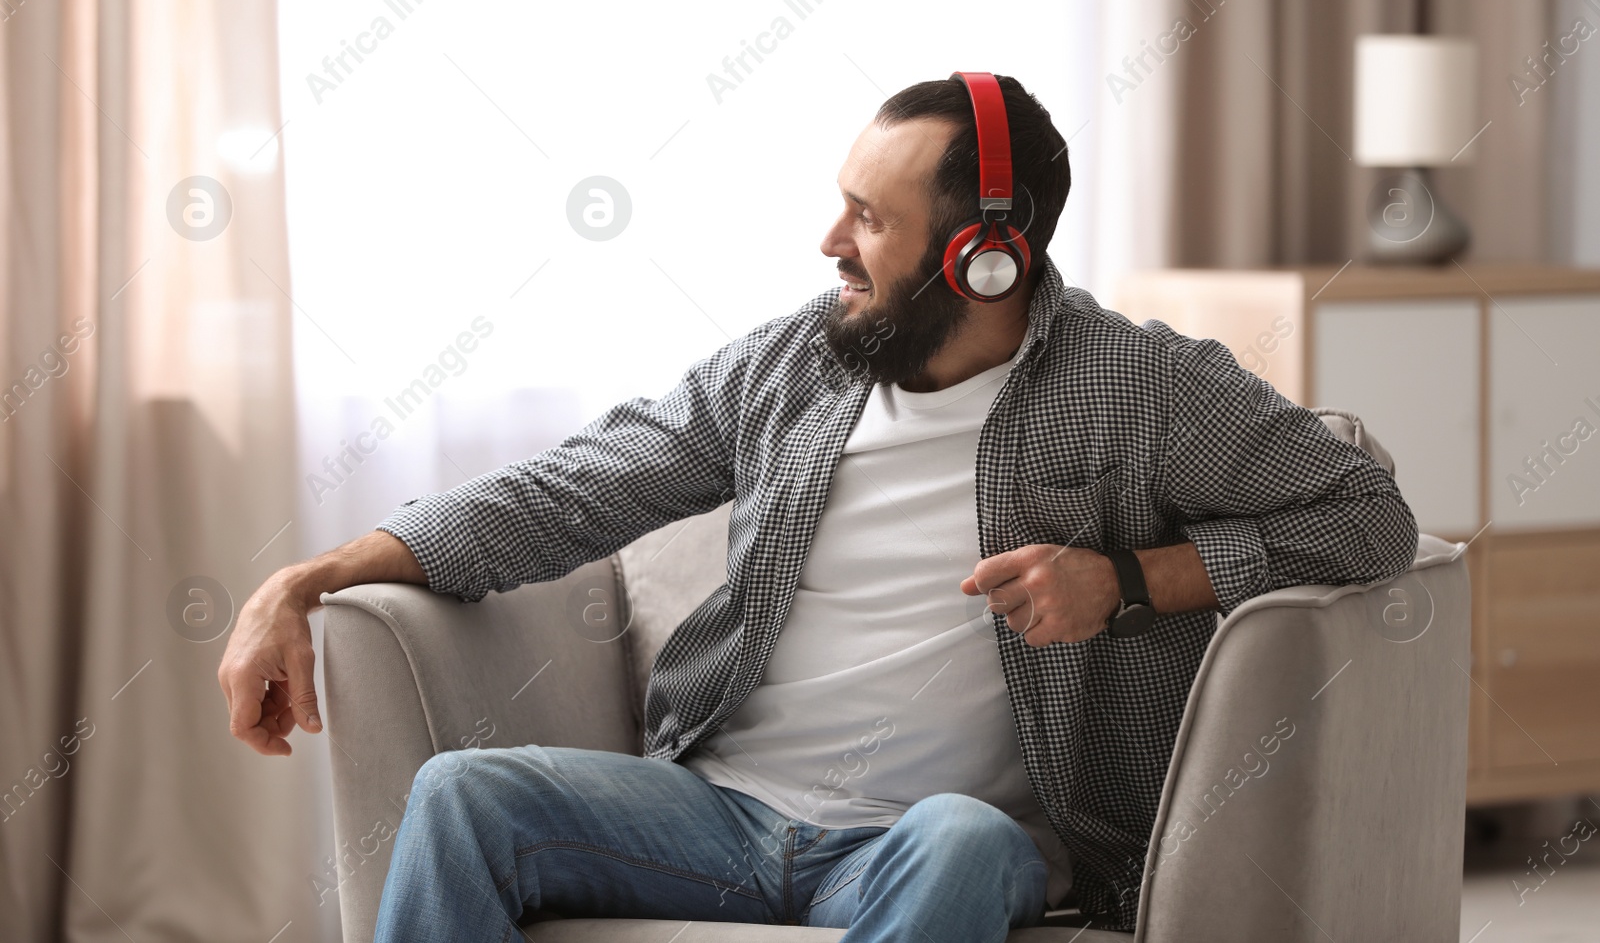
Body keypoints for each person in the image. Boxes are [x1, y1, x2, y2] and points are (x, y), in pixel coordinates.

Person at [218, 72, 1418, 941]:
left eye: (870, 218)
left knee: (956, 842)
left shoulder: (1143, 388)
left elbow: (1366, 516)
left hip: (937, 840)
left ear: (982, 257)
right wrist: (310, 576)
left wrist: (1128, 580)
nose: (829, 239)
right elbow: (572, 488)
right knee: (462, 796)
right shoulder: (796, 361)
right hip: (715, 809)